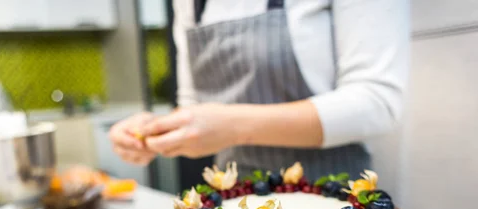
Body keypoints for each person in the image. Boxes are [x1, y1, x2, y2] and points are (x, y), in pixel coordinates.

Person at [110, 0, 410, 179]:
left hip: (333, 208)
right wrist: (152, 132)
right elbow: (192, 107)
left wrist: (235, 127)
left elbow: (378, 102)